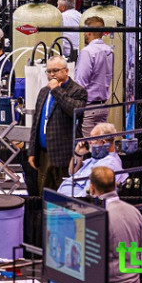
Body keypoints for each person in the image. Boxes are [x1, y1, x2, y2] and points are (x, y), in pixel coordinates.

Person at [86, 166, 142, 283]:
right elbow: (141, 248)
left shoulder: (99, 217)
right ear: (115, 185)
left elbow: (93, 260)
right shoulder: (134, 212)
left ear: (92, 188)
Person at [27, 56, 88, 193]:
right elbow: (36, 122)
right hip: (44, 154)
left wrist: (56, 90)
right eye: (48, 71)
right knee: (44, 195)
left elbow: (75, 111)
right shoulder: (43, 91)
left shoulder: (77, 91)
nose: (51, 74)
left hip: (64, 156)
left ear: (66, 71)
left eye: (55, 70)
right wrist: (32, 151)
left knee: (63, 196)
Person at [57, 123, 127, 197]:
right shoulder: (95, 159)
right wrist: (78, 154)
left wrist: (69, 201)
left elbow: (89, 195)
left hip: (71, 202)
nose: (89, 141)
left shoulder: (108, 164)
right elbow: (72, 172)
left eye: (93, 138)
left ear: (104, 142)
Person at [74, 16, 114, 136]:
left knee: (86, 144)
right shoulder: (109, 51)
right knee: (100, 143)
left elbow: (80, 82)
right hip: (103, 106)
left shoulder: (87, 52)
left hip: (89, 108)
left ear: (89, 32)